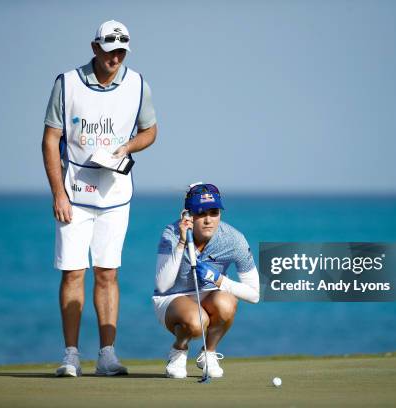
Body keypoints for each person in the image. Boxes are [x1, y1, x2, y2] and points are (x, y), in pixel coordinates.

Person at [41, 19, 157, 377]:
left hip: (115, 195)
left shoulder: (138, 84)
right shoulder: (68, 83)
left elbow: (150, 131)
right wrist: (58, 193)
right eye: (110, 50)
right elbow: (50, 140)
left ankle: (107, 355)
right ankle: (71, 355)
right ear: (95, 48)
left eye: (121, 51)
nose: (116, 57)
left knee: (108, 273)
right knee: (73, 273)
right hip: (74, 195)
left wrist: (128, 145)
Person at [152, 183, 260, 378]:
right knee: (197, 320)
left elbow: (254, 295)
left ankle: (208, 354)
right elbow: (162, 285)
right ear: (188, 215)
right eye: (201, 213)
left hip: (209, 295)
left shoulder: (233, 240)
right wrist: (182, 242)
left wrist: (219, 280)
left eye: (214, 212)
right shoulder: (172, 234)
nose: (208, 220)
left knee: (227, 302)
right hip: (171, 299)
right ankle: (178, 351)